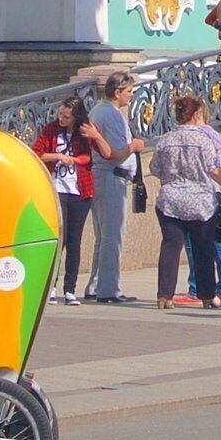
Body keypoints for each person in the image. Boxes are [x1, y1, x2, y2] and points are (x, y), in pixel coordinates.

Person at [147, 95, 221, 309]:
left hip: (170, 200)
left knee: (170, 247)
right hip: (201, 202)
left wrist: (172, 178)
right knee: (203, 249)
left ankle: (164, 296)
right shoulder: (204, 141)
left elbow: (154, 168)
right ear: (196, 115)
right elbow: (214, 169)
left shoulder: (165, 140)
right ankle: (208, 296)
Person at [80, 75, 135, 303]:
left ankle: (96, 284)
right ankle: (109, 289)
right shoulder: (110, 114)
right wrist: (135, 146)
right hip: (110, 177)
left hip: (104, 176)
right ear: (118, 92)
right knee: (112, 236)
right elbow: (114, 152)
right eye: (129, 91)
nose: (132, 95)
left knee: (103, 236)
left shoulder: (101, 111)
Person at [33, 101, 94, 305]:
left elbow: (92, 155)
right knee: (60, 239)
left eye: (66, 117)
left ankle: (70, 289)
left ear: (76, 118)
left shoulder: (84, 132)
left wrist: (76, 159)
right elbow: (37, 153)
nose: (61, 119)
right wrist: (58, 156)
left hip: (80, 191)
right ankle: (52, 285)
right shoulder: (51, 130)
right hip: (57, 189)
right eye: (60, 114)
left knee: (74, 242)